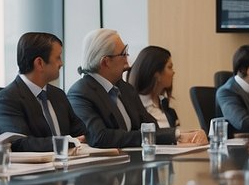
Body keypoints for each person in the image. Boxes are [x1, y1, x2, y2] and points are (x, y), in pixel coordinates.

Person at [67, 29, 206, 148]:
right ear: (105, 62)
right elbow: (101, 137)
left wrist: (176, 135)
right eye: (123, 54)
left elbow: (152, 126)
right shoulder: (80, 93)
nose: (128, 61)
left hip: (136, 166)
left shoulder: (125, 89)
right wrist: (172, 135)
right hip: (103, 174)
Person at [0, 31, 88, 151]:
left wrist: (79, 139)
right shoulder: (6, 100)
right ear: (39, 63)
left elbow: (82, 132)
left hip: (70, 164)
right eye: (57, 58)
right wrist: (69, 142)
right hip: (35, 169)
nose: (61, 63)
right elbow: (20, 143)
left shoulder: (58, 95)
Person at [127, 45, 208, 137]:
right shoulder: (133, 107)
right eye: (169, 67)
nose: (173, 72)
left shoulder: (168, 109)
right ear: (156, 74)